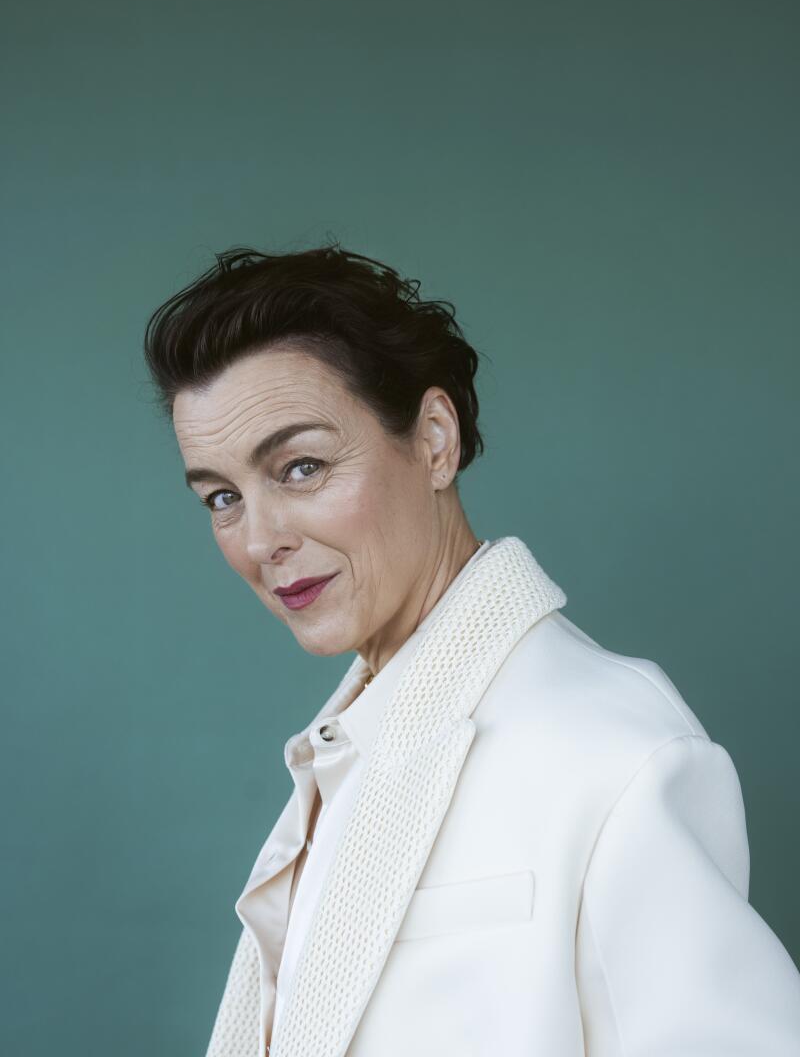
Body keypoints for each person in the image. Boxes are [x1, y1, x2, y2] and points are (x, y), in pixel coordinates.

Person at [143, 243, 800, 1057]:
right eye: (222, 497)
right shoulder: (347, 756)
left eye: (302, 467)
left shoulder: (617, 753)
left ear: (434, 441)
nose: (260, 540)